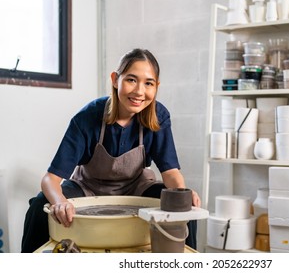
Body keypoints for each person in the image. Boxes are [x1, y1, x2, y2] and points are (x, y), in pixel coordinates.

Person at [21, 48, 201, 253]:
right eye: (131, 80)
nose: (139, 92)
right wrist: (60, 202)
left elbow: (170, 172)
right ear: (115, 79)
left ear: (156, 87)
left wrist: (181, 195)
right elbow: (50, 179)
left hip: (137, 187)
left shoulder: (158, 115)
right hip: (87, 188)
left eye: (148, 83)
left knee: (186, 207)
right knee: (39, 205)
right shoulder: (88, 117)